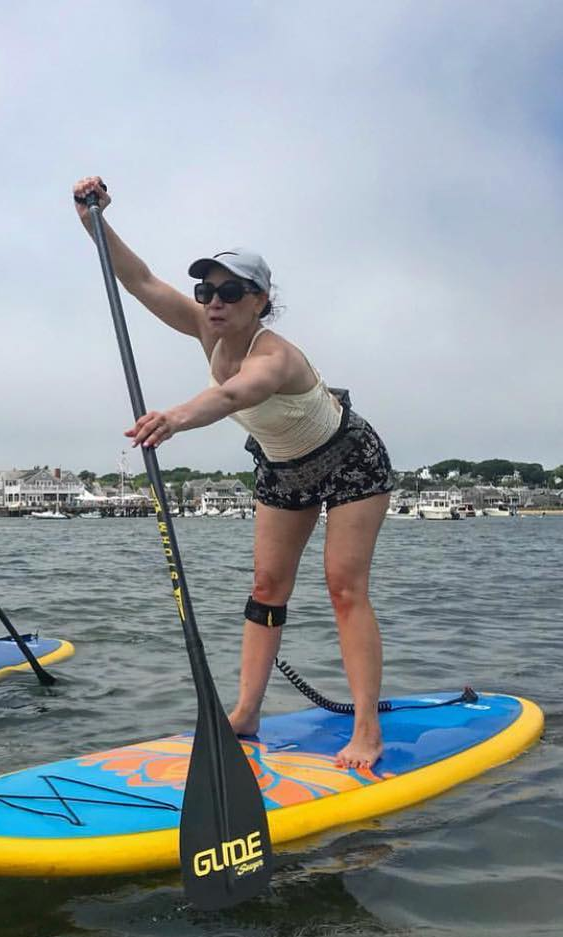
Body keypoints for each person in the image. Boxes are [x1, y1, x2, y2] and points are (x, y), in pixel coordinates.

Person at [72, 176, 395, 770]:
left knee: (343, 588)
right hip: (281, 468)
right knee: (266, 590)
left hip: (350, 461)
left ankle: (367, 729)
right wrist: (92, 220)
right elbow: (140, 281)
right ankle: (245, 713)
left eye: (230, 291)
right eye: (205, 290)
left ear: (260, 301)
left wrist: (175, 417)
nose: (213, 300)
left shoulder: (276, 357)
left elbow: (232, 396)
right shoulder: (204, 326)